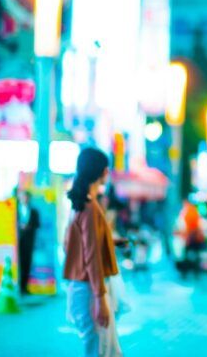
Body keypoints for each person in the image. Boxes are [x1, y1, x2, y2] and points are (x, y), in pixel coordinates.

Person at [63, 148, 122, 357]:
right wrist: (100, 300)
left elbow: (73, 246)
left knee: (106, 351)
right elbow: (92, 256)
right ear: (103, 171)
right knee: (101, 352)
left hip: (82, 288)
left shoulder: (79, 204)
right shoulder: (89, 207)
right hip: (90, 290)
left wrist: (110, 241)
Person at [17, 190, 40, 295]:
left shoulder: (34, 211)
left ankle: (24, 287)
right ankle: (17, 286)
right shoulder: (15, 210)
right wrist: (19, 227)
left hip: (29, 241)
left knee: (27, 263)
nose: (24, 199)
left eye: (26, 197)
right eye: (22, 197)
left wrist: (28, 227)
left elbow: (37, 224)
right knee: (18, 264)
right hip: (17, 242)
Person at [176, 200, 206, 279]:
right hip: (195, 238)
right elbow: (202, 225)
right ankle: (196, 273)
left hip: (188, 239)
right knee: (196, 256)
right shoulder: (196, 212)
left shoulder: (185, 213)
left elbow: (181, 226)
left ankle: (185, 273)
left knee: (186, 256)